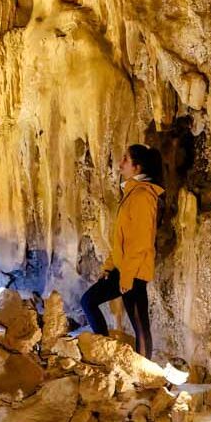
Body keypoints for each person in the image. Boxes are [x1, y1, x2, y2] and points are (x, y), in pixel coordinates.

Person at [80, 144, 164, 359]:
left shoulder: (143, 196)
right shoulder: (132, 194)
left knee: (139, 324)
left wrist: (126, 278)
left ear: (137, 167)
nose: (120, 164)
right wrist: (109, 266)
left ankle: (145, 374)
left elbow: (141, 242)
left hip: (133, 272)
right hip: (123, 268)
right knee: (89, 301)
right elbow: (121, 240)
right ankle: (104, 352)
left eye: (125, 160)